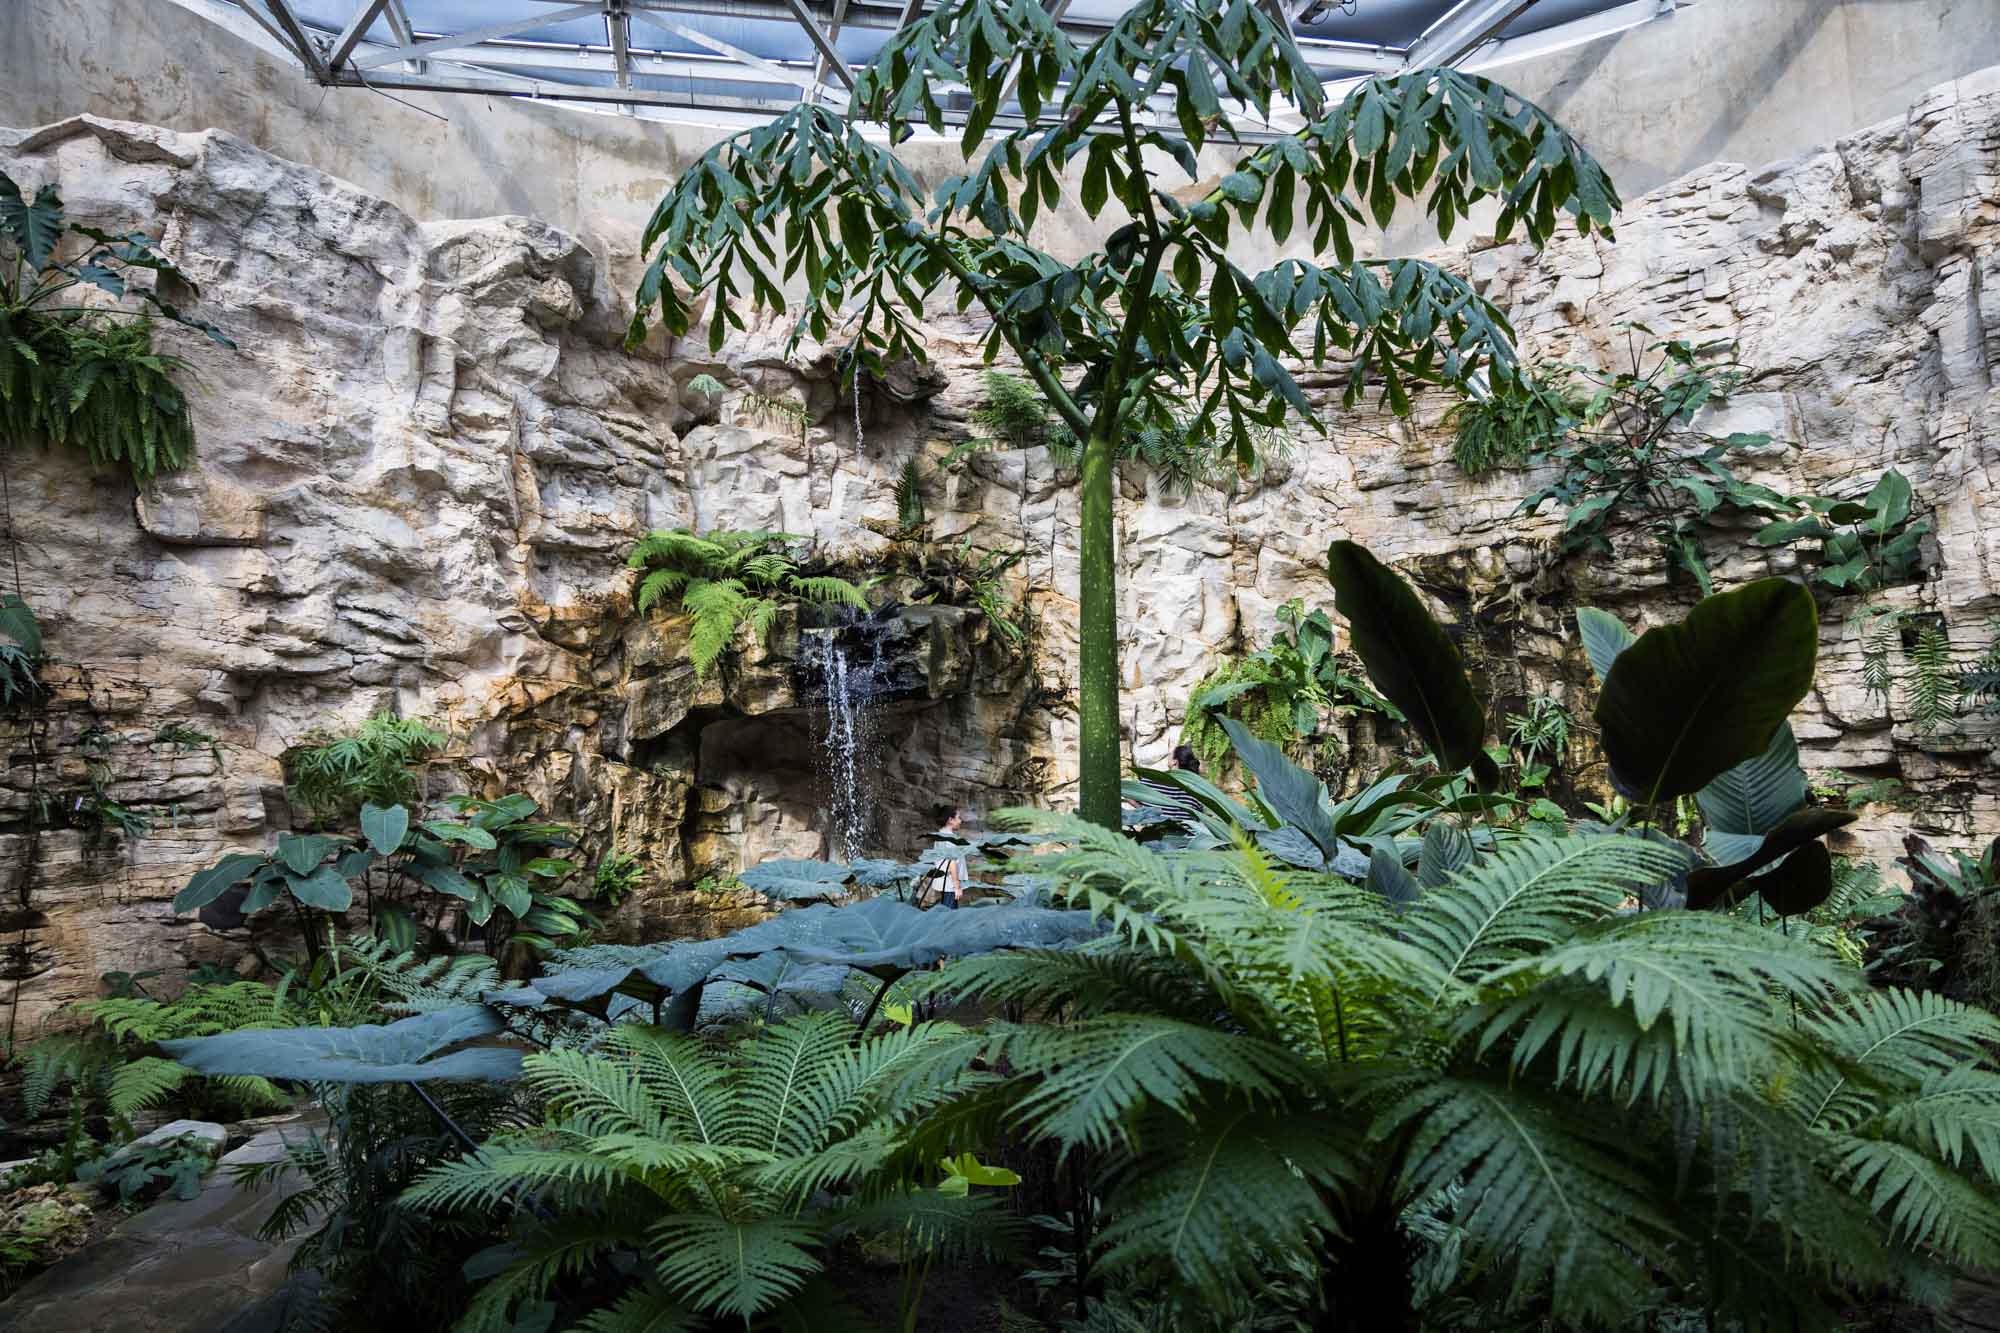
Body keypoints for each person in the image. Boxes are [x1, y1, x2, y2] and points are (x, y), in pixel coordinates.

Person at [931, 804, 971, 909]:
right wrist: (957, 887)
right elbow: (951, 863)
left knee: (945, 911)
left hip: (944, 882)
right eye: (958, 818)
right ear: (950, 820)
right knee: (949, 914)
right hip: (950, 885)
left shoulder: (940, 834)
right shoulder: (950, 839)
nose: (960, 821)